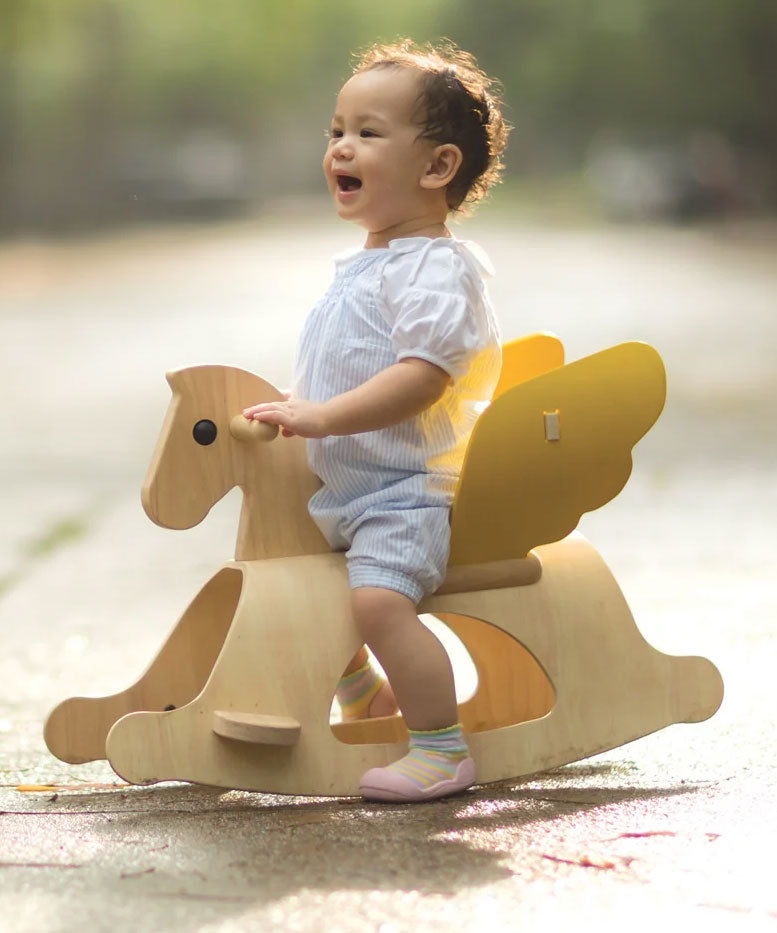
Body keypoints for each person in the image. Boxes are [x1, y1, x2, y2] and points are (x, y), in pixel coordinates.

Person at [243, 39, 509, 802]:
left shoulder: (433, 267)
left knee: (377, 603)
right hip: (350, 489)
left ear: (436, 168)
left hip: (406, 491)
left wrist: (321, 416)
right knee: (301, 584)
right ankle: (361, 694)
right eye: (335, 132)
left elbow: (421, 378)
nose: (341, 148)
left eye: (367, 132)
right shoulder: (372, 261)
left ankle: (439, 747)